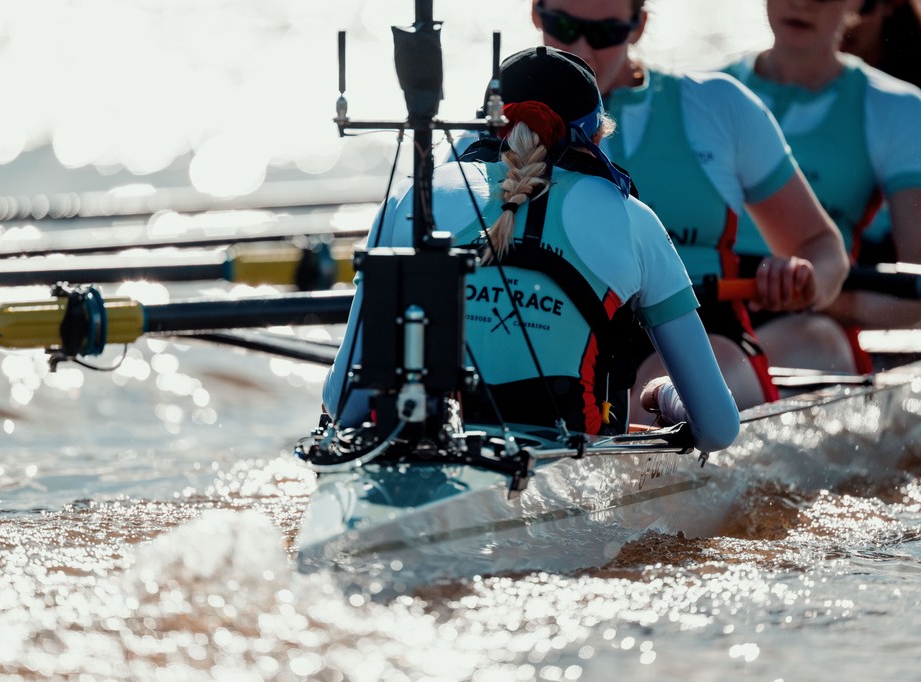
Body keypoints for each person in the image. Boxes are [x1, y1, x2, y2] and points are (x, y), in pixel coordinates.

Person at [323, 46, 740, 453]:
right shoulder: (635, 220)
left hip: (420, 454)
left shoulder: (414, 197)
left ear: (488, 127)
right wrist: (663, 394)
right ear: (596, 135)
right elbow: (718, 429)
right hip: (566, 476)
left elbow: (344, 404)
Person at [531, 0, 849, 423]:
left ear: (638, 25)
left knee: (649, 398)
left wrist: (809, 281)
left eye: (606, 33)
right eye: (564, 26)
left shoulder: (718, 106)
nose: (583, 49)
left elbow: (823, 247)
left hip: (698, 330)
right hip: (554, 327)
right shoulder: (496, 129)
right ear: (536, 15)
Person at [724, 0, 921, 374]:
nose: (801, 3)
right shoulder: (697, 95)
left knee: (809, 344)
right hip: (691, 311)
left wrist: (816, 293)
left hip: (804, 326)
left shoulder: (900, 109)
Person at [840, 0, 921, 264]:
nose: (848, 20)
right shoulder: (758, 83)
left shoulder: (908, 101)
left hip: (880, 256)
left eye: (863, 9)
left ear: (891, 5)